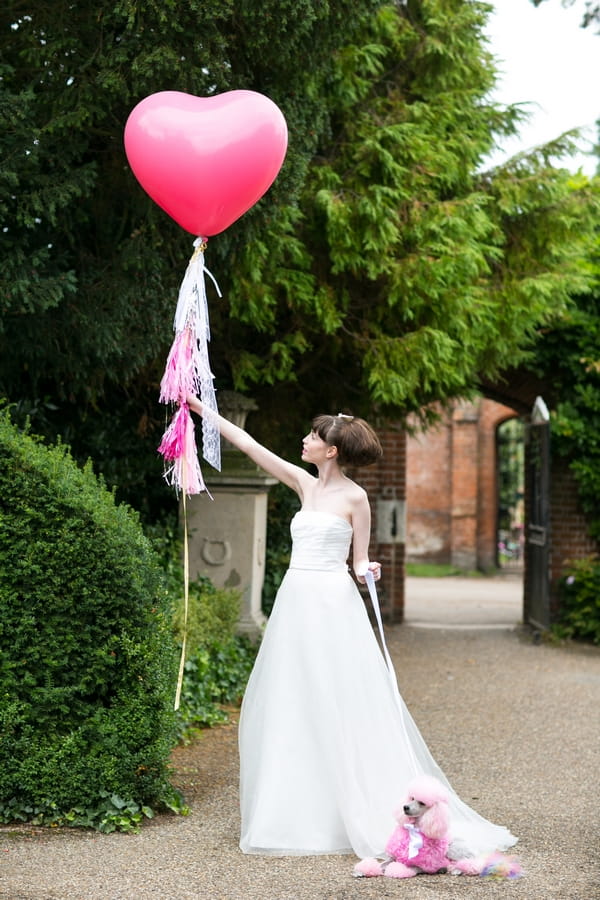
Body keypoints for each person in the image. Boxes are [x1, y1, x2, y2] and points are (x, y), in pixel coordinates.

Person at [187, 395, 517, 859]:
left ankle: (354, 804)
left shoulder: (356, 498)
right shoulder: (304, 484)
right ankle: (294, 809)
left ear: (332, 450)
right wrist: (202, 410)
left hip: (332, 602)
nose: (304, 440)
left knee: (339, 697)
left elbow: (359, 559)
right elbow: (249, 444)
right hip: (296, 600)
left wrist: (369, 570)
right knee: (293, 696)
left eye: (313, 437)